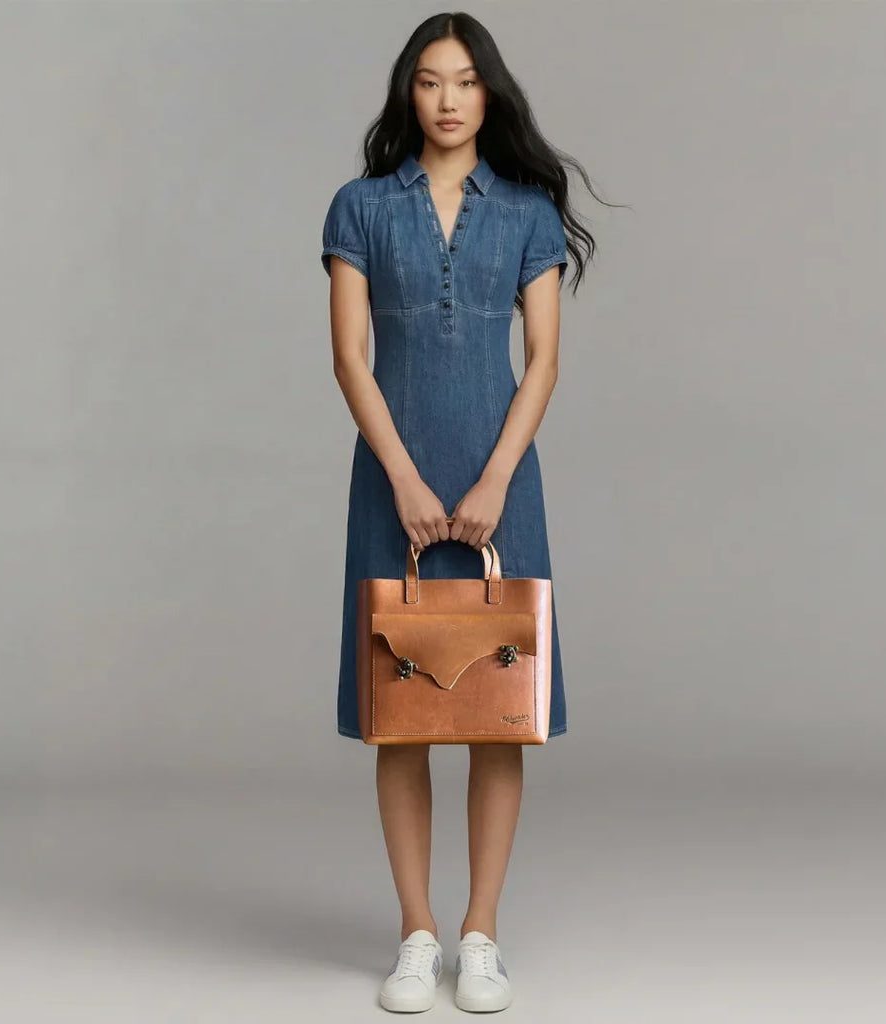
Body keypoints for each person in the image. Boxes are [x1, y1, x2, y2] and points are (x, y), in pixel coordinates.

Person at [320, 11, 610, 1014]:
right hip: (389, 483)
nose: (448, 99)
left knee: (495, 717)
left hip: (502, 482)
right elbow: (350, 359)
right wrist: (401, 476)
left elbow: (544, 364)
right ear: (410, 93)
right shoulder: (359, 208)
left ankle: (478, 934)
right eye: (430, 81)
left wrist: (492, 480)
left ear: (490, 93)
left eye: (466, 81)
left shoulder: (526, 211)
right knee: (400, 719)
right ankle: (416, 934)